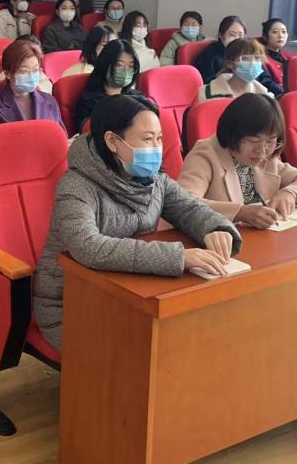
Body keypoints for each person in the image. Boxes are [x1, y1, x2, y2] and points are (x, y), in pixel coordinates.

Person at [32, 94, 242, 351]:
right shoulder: (76, 186)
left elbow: (189, 208)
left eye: (159, 138)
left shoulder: (154, 179)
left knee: (200, 332)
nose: (156, 148)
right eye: (147, 139)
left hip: (133, 291)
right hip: (74, 301)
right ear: (112, 141)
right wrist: (178, 257)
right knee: (157, 347)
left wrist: (214, 228)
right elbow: (89, 247)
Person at [179, 94, 297, 227]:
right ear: (232, 133)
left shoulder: (267, 158)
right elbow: (183, 203)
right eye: (253, 141)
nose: (261, 150)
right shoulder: (205, 155)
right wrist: (239, 213)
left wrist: (290, 194)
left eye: (270, 141)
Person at [0, 39, 63, 129]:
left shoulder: (50, 100)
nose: (31, 76)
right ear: (8, 74)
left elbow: (60, 135)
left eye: (35, 70)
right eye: (24, 71)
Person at [73, 39, 146, 132]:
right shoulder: (89, 103)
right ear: (105, 65)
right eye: (119, 65)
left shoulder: (139, 98)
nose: (125, 70)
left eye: (131, 66)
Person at [197, 38, 273, 105]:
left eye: (257, 58)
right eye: (245, 58)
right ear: (230, 64)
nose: (253, 63)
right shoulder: (206, 95)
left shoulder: (264, 96)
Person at [259, 18, 294, 88]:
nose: (281, 36)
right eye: (275, 32)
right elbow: (265, 83)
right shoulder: (258, 58)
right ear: (265, 36)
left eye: (284, 32)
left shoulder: (291, 58)